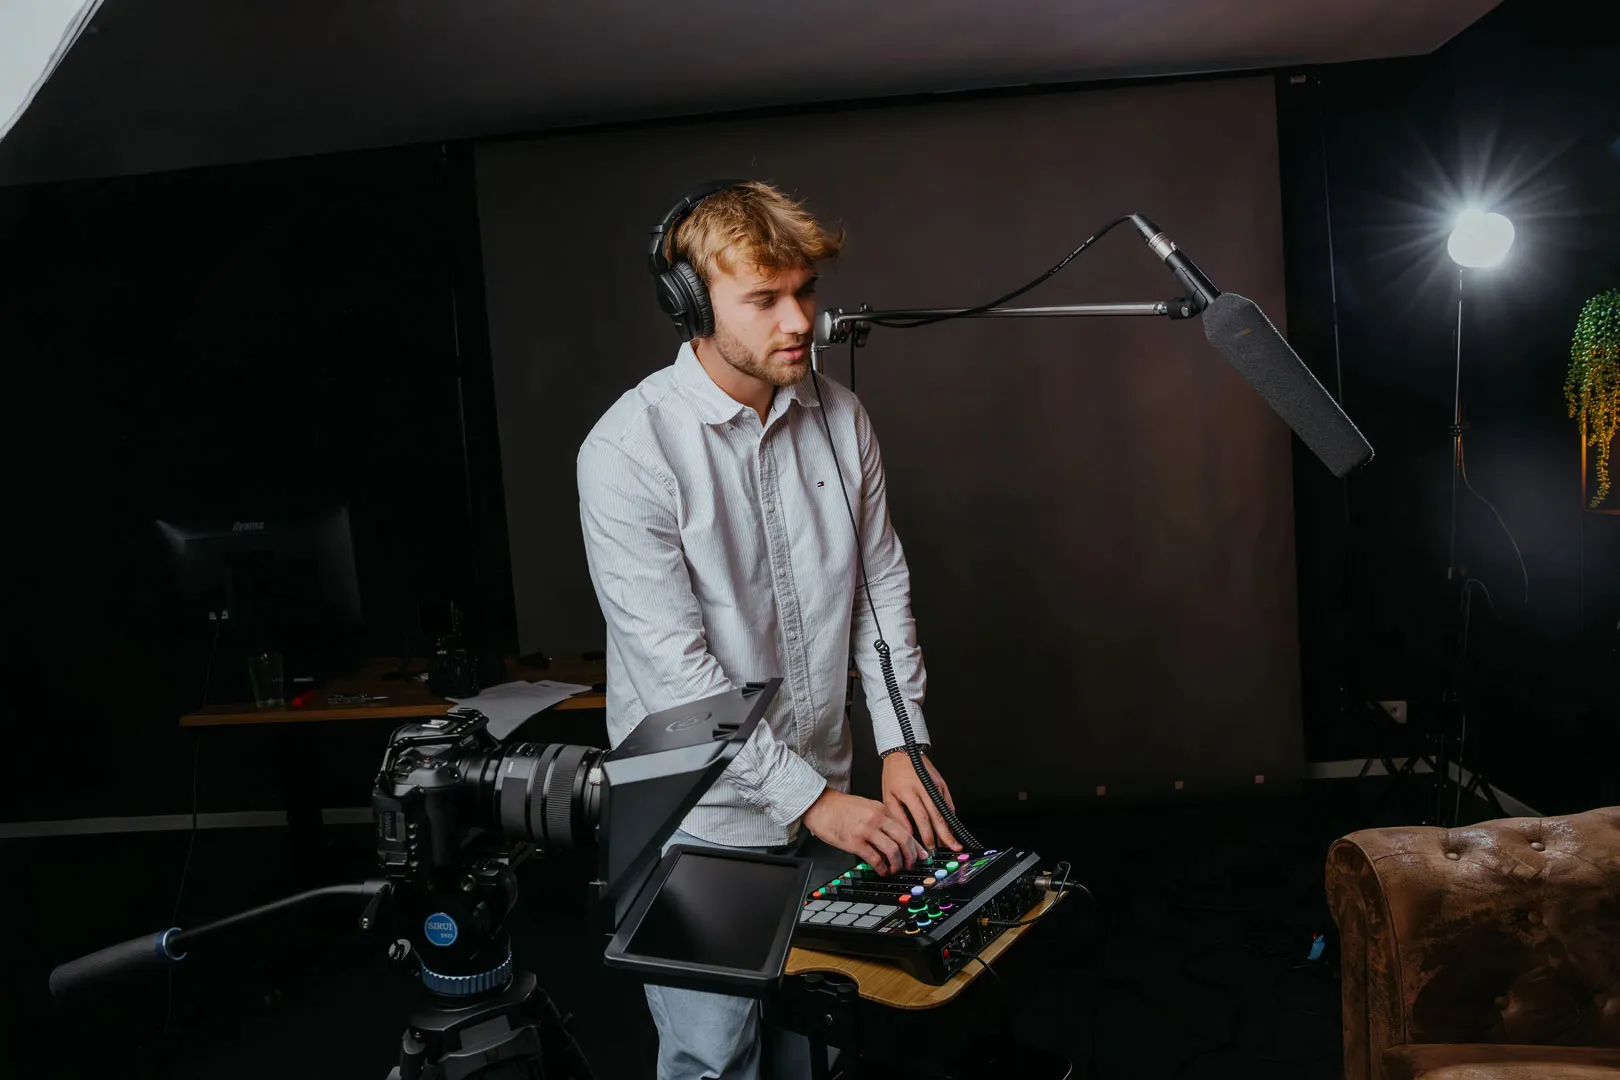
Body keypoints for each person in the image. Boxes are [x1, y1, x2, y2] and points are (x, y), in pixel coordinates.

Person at [577, 179, 960, 1080]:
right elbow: (680, 677)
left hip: (820, 795)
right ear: (688, 305)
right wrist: (817, 802)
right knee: (716, 1057)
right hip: (698, 816)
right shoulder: (628, 453)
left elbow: (879, 590)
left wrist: (904, 742)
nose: (801, 321)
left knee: (815, 1042)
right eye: (765, 299)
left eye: (806, 292)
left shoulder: (843, 415)